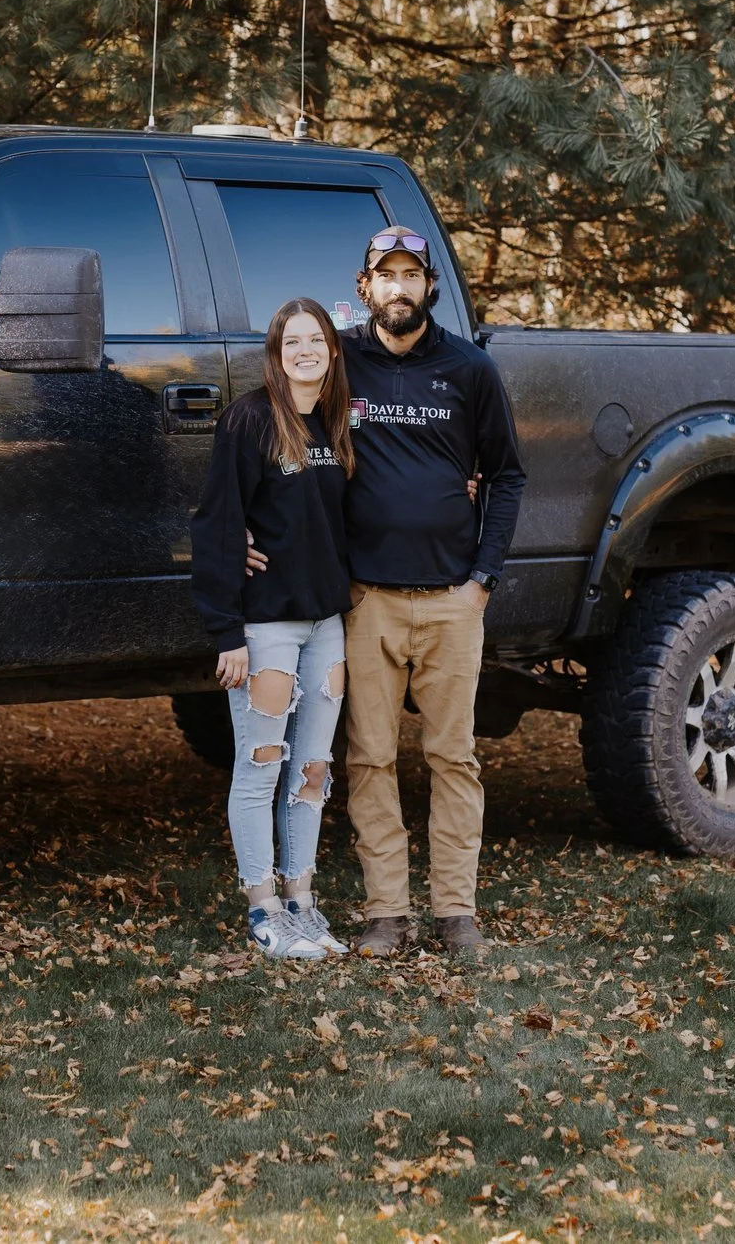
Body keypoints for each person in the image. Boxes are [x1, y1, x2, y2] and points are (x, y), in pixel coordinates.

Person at [335, 227, 526, 958]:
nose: (400, 287)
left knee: (454, 757)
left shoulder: (470, 368)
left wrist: (484, 577)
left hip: (453, 598)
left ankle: (456, 913)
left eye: (412, 275)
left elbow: (506, 474)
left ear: (430, 287)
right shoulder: (342, 361)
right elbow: (287, 412)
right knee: (371, 757)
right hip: (368, 600)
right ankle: (387, 912)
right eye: (387, 275)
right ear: (365, 289)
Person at [190, 298, 360, 961]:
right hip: (265, 628)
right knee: (261, 767)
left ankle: (302, 904)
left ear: (333, 350)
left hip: (325, 624)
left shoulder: (337, 423)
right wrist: (225, 628)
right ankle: (263, 909)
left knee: (312, 771)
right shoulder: (249, 419)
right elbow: (215, 522)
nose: (305, 350)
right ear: (276, 351)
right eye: (293, 341)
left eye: (315, 339)